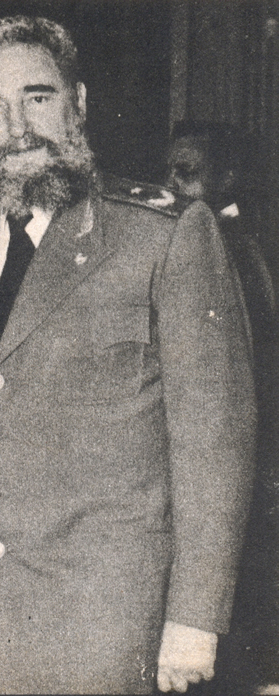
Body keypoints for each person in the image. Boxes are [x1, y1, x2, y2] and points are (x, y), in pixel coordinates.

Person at [0, 15, 256, 694]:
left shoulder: (163, 234)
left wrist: (195, 618)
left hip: (108, 625)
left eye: (37, 97)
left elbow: (214, 443)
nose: (18, 126)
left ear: (78, 103)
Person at [168, 121, 279, 694]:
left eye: (187, 173)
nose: (171, 185)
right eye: (168, 171)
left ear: (228, 177)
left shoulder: (237, 246)